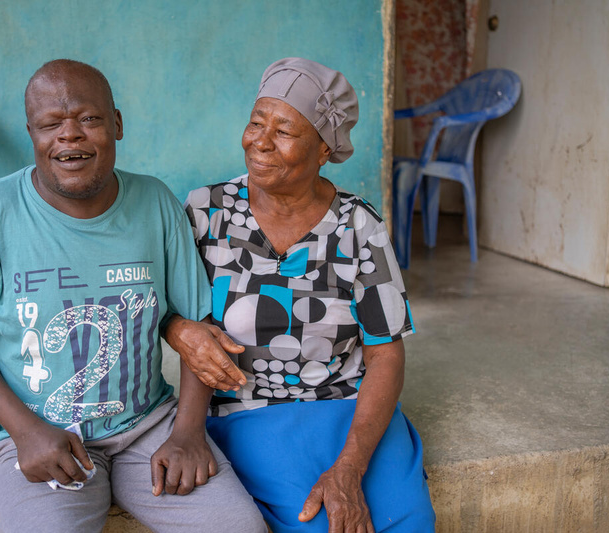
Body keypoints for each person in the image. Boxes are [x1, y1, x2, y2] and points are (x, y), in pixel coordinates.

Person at [0, 59, 266, 533]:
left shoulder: (154, 203)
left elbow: (198, 327)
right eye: (51, 124)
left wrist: (189, 432)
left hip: (147, 426)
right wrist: (24, 432)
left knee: (239, 527)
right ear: (31, 133)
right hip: (33, 431)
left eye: (88, 119)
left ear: (117, 124)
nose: (70, 136)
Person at [166, 58, 436, 532]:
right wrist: (176, 330)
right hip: (251, 412)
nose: (260, 141)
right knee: (315, 523)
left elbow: (386, 353)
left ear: (324, 150)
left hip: (350, 410)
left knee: (403, 522)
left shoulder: (358, 225)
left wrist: (350, 467)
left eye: (284, 130)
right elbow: (174, 315)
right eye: (255, 122)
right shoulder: (206, 212)